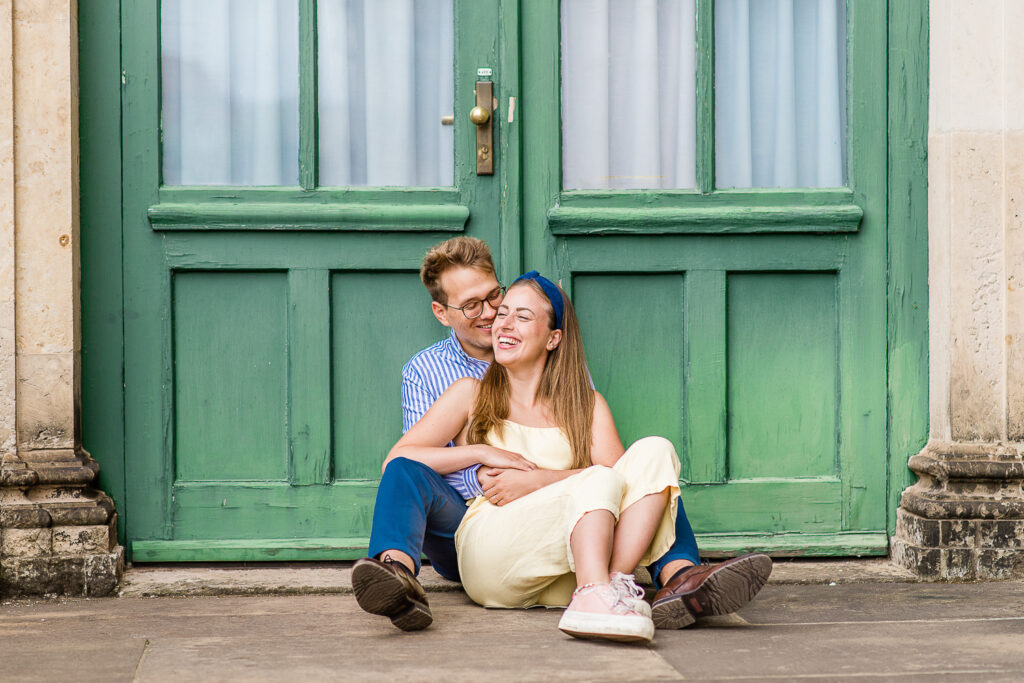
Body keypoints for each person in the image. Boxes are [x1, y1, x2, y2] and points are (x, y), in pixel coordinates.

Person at [352, 237, 771, 634]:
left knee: (652, 457)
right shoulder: (450, 384)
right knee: (409, 471)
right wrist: (484, 458)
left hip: (566, 540)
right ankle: (398, 574)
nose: (493, 316)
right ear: (443, 313)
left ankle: (663, 579)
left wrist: (538, 480)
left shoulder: (577, 395)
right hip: (480, 526)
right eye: (475, 307)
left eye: (497, 301)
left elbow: (622, 481)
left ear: (553, 339)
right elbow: (406, 464)